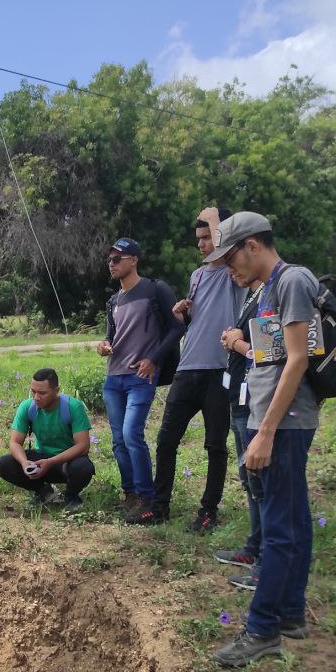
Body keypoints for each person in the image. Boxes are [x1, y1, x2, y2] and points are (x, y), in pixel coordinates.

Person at [203, 212, 320, 667]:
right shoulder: (268, 289)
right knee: (292, 517)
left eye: (229, 256)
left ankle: (263, 628)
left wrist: (265, 432)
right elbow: (267, 359)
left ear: (253, 245)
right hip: (270, 415)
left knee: (278, 528)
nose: (226, 268)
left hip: (284, 424)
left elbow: (296, 361)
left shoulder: (293, 281)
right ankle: (290, 613)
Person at [146, 207, 243, 531]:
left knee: (215, 445)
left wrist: (217, 216)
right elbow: (196, 320)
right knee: (165, 441)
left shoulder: (235, 271)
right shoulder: (197, 275)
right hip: (188, 370)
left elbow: (229, 246)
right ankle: (159, 507)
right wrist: (182, 314)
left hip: (220, 370)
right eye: (198, 239)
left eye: (207, 237)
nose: (201, 244)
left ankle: (208, 511)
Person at [94, 237, 182, 520]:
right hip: (113, 377)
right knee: (118, 440)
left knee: (133, 434)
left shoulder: (155, 290)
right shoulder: (113, 301)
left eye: (117, 259)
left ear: (134, 259)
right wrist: (104, 345)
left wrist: (154, 359)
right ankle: (130, 493)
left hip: (140, 376)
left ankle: (147, 496)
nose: (111, 264)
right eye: (109, 260)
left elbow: (176, 329)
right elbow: (112, 336)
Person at [214, 266, 266, 590]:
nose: (231, 270)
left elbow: (266, 354)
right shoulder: (253, 297)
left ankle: (265, 563)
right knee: (249, 480)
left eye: (234, 261)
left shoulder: (270, 297)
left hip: (256, 407)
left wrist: (237, 344)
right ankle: (253, 548)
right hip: (239, 399)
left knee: (261, 483)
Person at [0, 367, 94, 512]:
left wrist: (51, 462)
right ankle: (44, 491)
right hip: (41, 459)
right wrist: (24, 463)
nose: (36, 397)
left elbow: (83, 446)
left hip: (66, 462)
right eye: (33, 391)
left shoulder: (73, 407)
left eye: (42, 393)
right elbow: (15, 442)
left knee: (83, 467)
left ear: (56, 390)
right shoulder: (27, 407)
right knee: (4, 463)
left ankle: (71, 495)